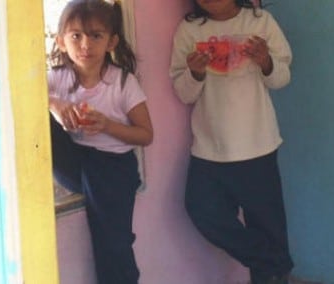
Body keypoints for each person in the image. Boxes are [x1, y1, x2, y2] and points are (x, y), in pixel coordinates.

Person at [170, 1, 294, 283]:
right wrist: (196, 72)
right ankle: (276, 260)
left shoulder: (260, 22)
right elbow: (184, 92)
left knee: (268, 225)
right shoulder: (189, 29)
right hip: (209, 149)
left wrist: (265, 61)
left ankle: (274, 271)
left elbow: (282, 77)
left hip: (258, 145)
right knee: (202, 210)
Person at [47, 0, 153, 283]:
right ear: (61, 41)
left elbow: (146, 135)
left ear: (111, 41)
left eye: (95, 35)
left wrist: (108, 125)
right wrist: (55, 104)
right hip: (77, 163)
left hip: (114, 167)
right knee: (35, 108)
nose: (85, 45)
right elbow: (25, 96)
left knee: (113, 244)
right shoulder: (57, 78)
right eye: (75, 36)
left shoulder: (121, 82)